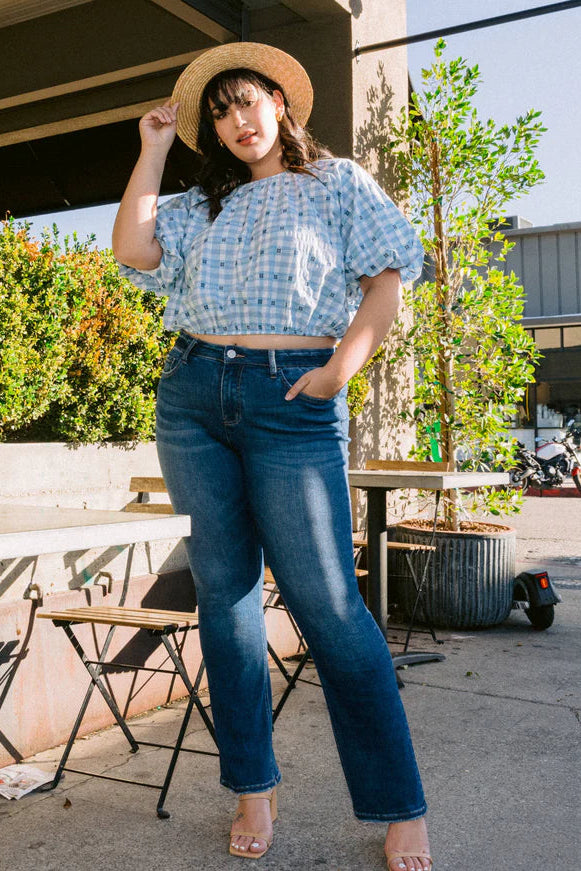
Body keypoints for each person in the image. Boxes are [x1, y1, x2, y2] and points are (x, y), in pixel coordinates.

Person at [112, 42, 432, 871]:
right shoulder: (198, 204)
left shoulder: (337, 184)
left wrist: (337, 372)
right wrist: (152, 147)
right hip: (192, 394)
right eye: (218, 114)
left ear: (281, 103)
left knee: (329, 604)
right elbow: (133, 251)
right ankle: (253, 787)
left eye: (247, 102)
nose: (236, 122)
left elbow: (388, 277)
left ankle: (400, 802)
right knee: (225, 596)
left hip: (292, 396)